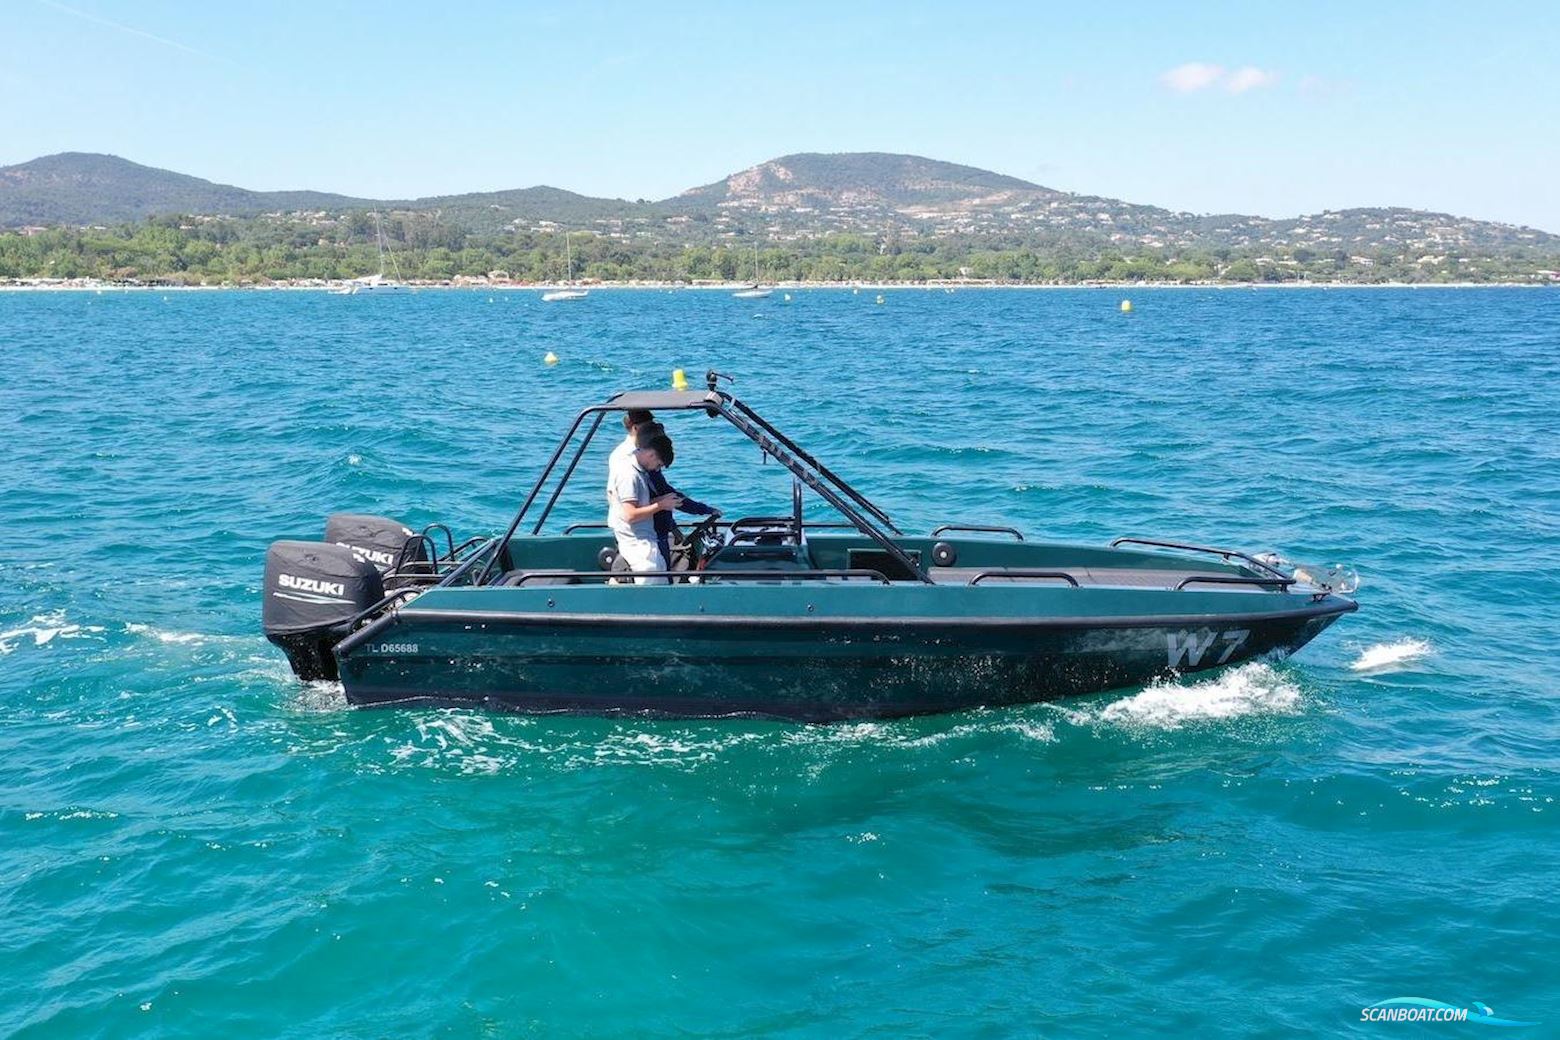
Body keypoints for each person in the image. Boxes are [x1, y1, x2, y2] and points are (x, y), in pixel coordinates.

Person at [612, 410, 719, 567]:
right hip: (642, 536)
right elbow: (624, 506)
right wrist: (661, 504)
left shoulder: (647, 466)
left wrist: (701, 510)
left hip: (656, 531)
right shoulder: (627, 465)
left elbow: (665, 493)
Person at [606, 430, 680, 584]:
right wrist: (661, 505)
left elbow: (639, 502)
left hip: (647, 539)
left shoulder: (639, 471)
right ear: (651, 455)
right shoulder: (629, 475)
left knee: (663, 578)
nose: (657, 469)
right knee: (651, 582)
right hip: (636, 542)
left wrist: (661, 499)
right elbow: (630, 515)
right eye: (658, 465)